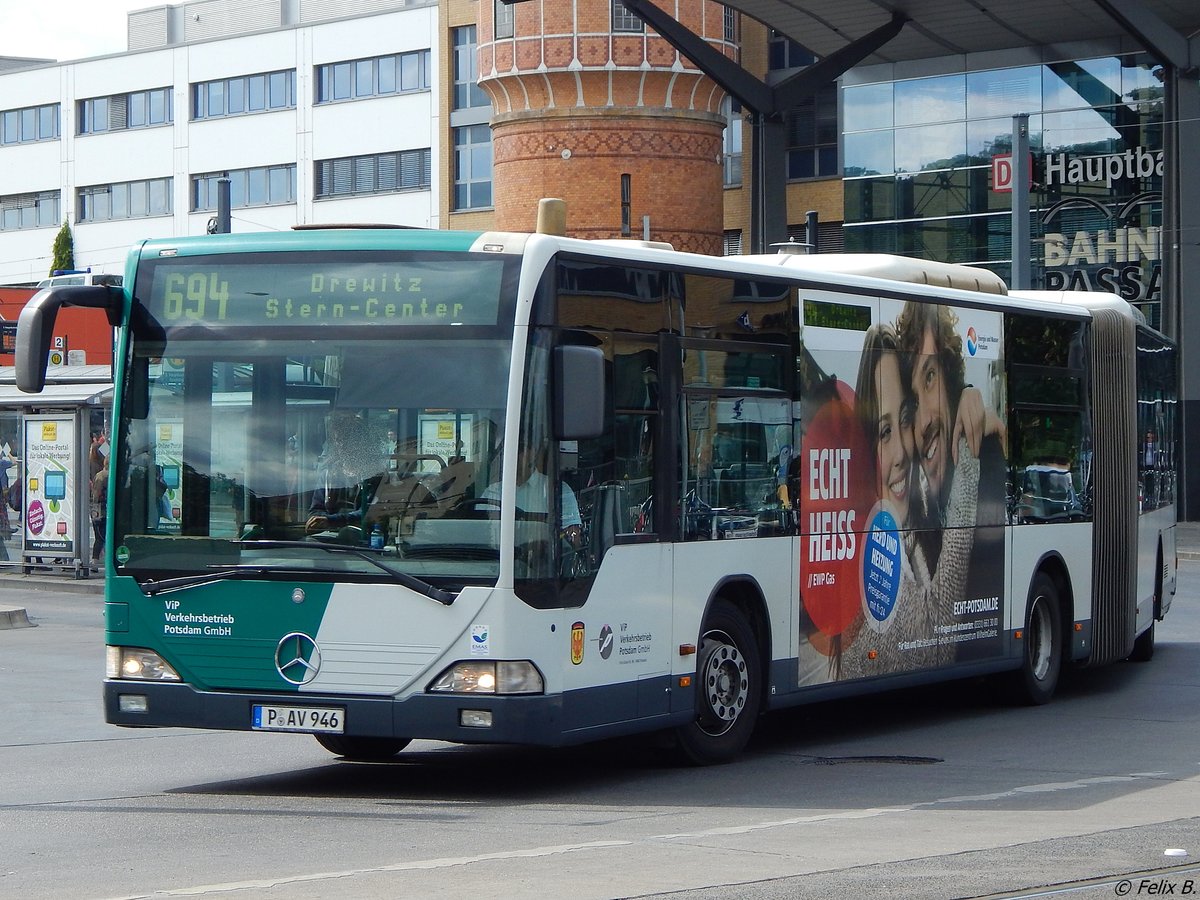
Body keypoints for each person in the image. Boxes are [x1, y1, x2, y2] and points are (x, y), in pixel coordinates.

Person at [834, 324, 977, 680]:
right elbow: (935, 641)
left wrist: (968, 398)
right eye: (884, 433)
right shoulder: (869, 548)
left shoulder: (911, 526)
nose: (901, 451)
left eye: (904, 422)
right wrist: (970, 456)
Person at [481, 441, 582, 550]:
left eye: (518, 449)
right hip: (494, 560)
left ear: (532, 453)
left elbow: (571, 536)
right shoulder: (492, 492)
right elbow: (480, 531)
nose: (510, 454)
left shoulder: (557, 490)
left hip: (542, 562)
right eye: (505, 451)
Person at [91, 456, 109, 566]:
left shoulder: (99, 475)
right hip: (103, 509)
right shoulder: (108, 475)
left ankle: (95, 560)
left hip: (97, 509)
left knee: (99, 536)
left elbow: (96, 495)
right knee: (101, 536)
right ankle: (96, 561)